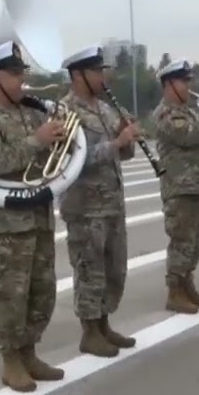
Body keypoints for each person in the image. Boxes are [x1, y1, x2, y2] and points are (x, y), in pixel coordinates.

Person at [0, 40, 67, 392]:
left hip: (39, 215)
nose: (21, 81)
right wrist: (38, 141)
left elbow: (52, 154)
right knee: (12, 293)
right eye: (13, 74)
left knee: (43, 289)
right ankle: (10, 359)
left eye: (21, 73)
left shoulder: (33, 111)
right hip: (7, 225)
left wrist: (59, 138)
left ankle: (30, 351)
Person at [58, 46, 140, 357]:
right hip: (85, 206)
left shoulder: (106, 110)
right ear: (78, 75)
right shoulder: (65, 112)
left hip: (111, 203)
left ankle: (104, 323)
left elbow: (121, 153)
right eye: (96, 71)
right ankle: (89, 331)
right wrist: (115, 143)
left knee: (113, 269)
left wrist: (127, 139)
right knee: (89, 270)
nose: (102, 76)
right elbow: (72, 160)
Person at [150, 59, 199, 313]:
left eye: (189, 80)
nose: (189, 85)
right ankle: (175, 290)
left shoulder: (189, 110)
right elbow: (191, 135)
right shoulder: (165, 113)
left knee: (196, 242)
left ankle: (187, 283)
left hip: (197, 186)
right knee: (181, 241)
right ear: (169, 84)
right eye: (183, 80)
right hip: (179, 188)